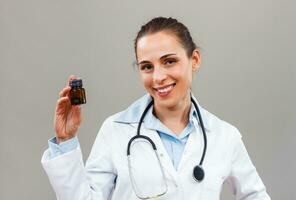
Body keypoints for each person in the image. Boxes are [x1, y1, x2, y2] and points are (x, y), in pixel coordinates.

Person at [41, 17, 271, 200]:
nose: (159, 77)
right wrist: (66, 140)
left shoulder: (224, 136)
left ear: (195, 60)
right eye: (147, 67)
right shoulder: (115, 130)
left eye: (169, 61)